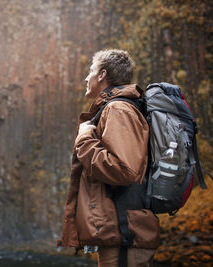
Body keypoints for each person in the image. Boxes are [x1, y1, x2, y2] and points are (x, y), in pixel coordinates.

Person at [57, 49, 160, 267]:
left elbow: (124, 170)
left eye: (91, 71)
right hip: (119, 233)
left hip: (124, 234)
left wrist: (84, 138)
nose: (86, 77)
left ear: (102, 75)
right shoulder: (113, 108)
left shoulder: (118, 109)